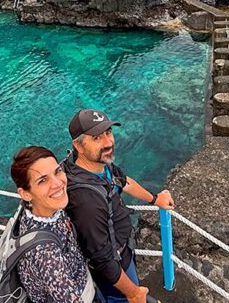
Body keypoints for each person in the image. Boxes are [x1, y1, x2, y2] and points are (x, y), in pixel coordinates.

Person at [62, 109, 175, 303]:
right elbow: (102, 260)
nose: (108, 143)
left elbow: (123, 181)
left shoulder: (98, 164)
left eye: (108, 132)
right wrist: (133, 293)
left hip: (122, 249)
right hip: (114, 267)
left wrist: (155, 199)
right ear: (78, 145)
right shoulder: (86, 201)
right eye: (97, 137)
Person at [10, 146, 97, 303]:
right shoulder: (45, 254)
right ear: (25, 194)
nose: (58, 183)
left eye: (57, 171)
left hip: (81, 278)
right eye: (43, 180)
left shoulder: (41, 208)